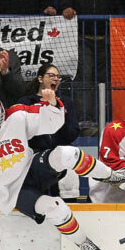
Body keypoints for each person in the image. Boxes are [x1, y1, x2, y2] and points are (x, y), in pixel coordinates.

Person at [0, 88, 125, 250]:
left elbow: (50, 122)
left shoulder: (16, 115)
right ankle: (82, 242)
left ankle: (110, 175)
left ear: (0, 104)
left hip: (31, 169)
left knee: (66, 154)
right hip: (11, 194)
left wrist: (53, 103)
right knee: (56, 209)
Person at [17, 62, 80, 200]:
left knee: (68, 194)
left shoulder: (66, 102)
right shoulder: (26, 102)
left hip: (60, 153)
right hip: (35, 155)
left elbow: (73, 133)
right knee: (38, 197)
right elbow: (21, 132)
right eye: (51, 75)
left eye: (58, 77)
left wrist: (57, 111)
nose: (56, 79)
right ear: (40, 79)